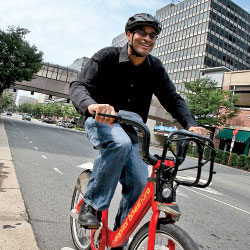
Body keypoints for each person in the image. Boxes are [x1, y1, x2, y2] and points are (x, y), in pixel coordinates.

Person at [70, 13, 207, 249]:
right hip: (104, 122)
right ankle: (89, 204)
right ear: (129, 35)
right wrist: (92, 105)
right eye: (142, 33)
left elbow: (172, 98)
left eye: (152, 35)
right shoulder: (108, 56)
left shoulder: (155, 68)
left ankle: (119, 241)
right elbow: (79, 85)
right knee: (119, 143)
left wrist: (190, 123)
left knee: (140, 185)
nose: (147, 39)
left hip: (135, 131)